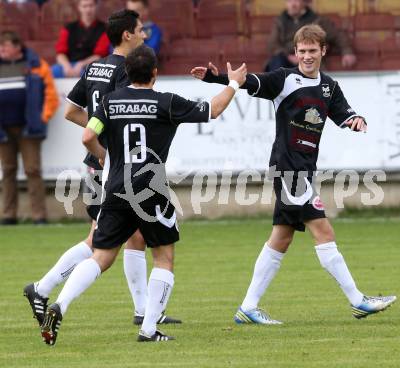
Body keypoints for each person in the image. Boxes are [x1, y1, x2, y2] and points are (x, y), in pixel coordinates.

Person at [39, 44, 247, 344]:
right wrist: (233, 83)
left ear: (127, 72)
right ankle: (149, 330)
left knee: (101, 256)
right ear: (154, 73)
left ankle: (61, 304)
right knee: (163, 257)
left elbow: (87, 136)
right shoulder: (166, 102)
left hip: (115, 189)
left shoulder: (110, 102)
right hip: (150, 190)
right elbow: (213, 109)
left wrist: (102, 156)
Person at [191, 24, 396, 324]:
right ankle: (358, 300)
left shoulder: (329, 87)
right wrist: (215, 78)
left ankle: (248, 308)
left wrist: (357, 120)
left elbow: (344, 114)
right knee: (323, 231)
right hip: (288, 169)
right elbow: (249, 81)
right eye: (302, 51)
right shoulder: (284, 79)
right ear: (295, 52)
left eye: (313, 51)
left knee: (281, 238)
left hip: (303, 170)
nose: (307, 56)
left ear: (324, 51)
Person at [23, 10, 180, 331]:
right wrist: (111, 143)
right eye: (140, 30)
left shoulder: (96, 66)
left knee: (130, 237)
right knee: (102, 241)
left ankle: (142, 310)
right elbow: (119, 111)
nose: (144, 35)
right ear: (127, 35)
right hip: (112, 164)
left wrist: (100, 133)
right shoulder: (126, 71)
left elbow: (71, 111)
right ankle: (42, 288)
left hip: (99, 160)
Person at [0, 30, 58, 225]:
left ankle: (39, 216)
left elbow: (51, 96)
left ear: (17, 47)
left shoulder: (36, 64)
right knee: (7, 170)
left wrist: (42, 118)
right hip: (3, 129)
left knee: (33, 170)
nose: (1, 50)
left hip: (29, 128)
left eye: (4, 46)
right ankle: (9, 215)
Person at [266, 0, 356, 71]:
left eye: (296, 0)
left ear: (305, 2)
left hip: (309, 56)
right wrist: (289, 56)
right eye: (289, 1)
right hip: (286, 58)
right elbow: (272, 44)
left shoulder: (318, 20)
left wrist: (347, 52)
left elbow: (337, 36)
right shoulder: (279, 21)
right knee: (277, 63)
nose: (293, 4)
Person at [51, 0, 110, 78]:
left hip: (92, 66)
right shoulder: (68, 28)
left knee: (89, 73)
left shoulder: (104, 29)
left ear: (96, 6)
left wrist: (81, 64)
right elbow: (60, 53)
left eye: (91, 6)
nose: (88, 10)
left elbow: (100, 55)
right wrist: (66, 66)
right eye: (84, 6)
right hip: (69, 64)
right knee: (52, 71)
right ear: (79, 8)